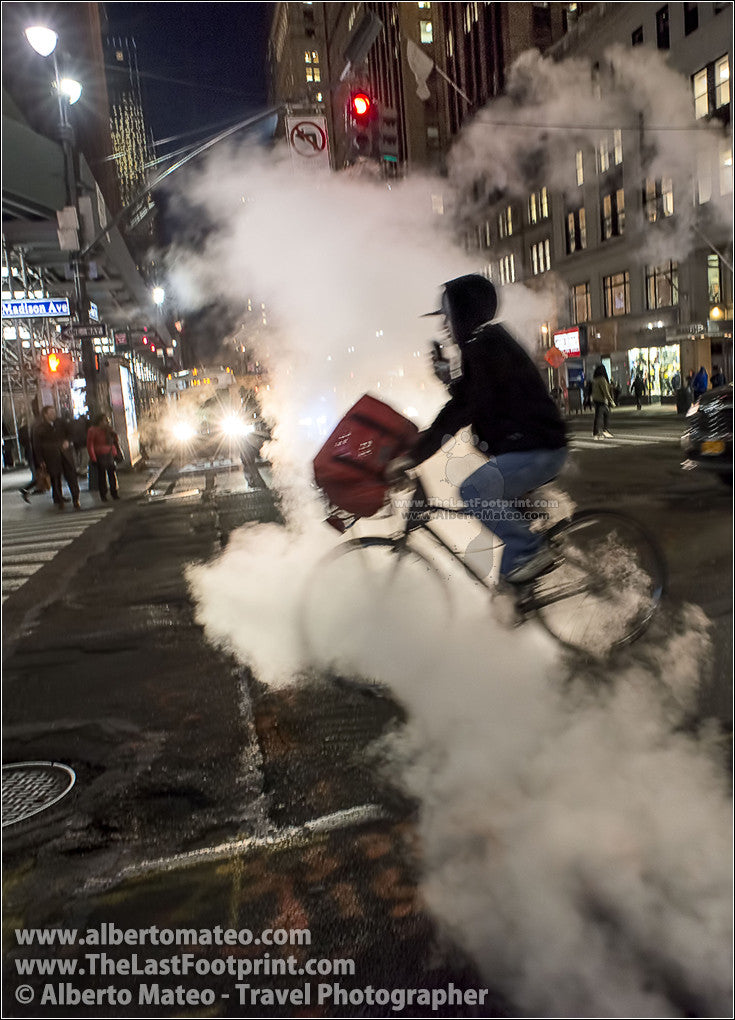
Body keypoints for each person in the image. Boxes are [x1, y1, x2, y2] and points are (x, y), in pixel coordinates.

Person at [386, 274, 567, 585]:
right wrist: (450, 380)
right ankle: (518, 593)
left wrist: (413, 455)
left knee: (474, 491)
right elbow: (479, 397)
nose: (444, 324)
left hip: (537, 448)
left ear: (464, 312)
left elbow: (463, 409)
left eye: (448, 315)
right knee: (510, 576)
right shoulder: (485, 344)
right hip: (530, 446)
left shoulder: (484, 345)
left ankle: (529, 550)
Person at [31, 405, 80, 510]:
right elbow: (36, 446)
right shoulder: (39, 428)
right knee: (55, 478)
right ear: (45, 415)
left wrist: (68, 441)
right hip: (51, 456)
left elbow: (71, 433)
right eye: (51, 413)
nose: (54, 414)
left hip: (65, 454)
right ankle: (59, 499)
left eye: (54, 412)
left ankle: (76, 498)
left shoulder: (61, 423)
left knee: (71, 476)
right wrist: (40, 460)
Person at [86, 413, 121, 502]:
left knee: (112, 475)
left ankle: (114, 493)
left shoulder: (108, 430)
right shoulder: (93, 430)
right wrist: (93, 458)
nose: (107, 422)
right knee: (102, 477)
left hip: (109, 455)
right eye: (105, 420)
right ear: (100, 421)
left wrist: (115, 453)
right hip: (100, 455)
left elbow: (114, 442)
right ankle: (103, 495)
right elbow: (90, 445)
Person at [590, 365, 615, 440]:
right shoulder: (602, 379)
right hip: (601, 400)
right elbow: (605, 391)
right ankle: (601, 432)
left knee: (600, 415)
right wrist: (611, 401)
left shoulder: (595, 379)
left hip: (596, 399)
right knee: (602, 415)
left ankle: (598, 432)